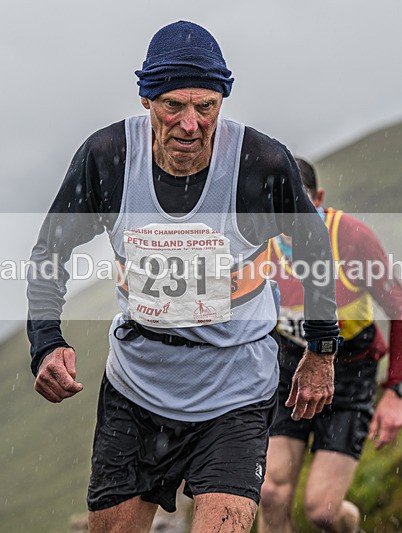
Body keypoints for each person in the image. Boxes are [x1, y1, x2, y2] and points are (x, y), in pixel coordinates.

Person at [26, 22, 342, 532]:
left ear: (222, 100)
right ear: (147, 99)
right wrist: (45, 341)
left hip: (235, 391)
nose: (191, 124)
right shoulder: (109, 158)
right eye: (174, 105)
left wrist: (321, 351)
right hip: (138, 389)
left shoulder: (259, 163)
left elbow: (314, 248)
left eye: (207, 106)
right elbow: (50, 250)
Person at [258, 158, 402, 533]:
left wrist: (396, 391)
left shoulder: (351, 237)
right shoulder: (259, 244)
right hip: (290, 373)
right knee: (270, 493)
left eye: (301, 206)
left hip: (349, 376)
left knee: (323, 511)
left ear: (320, 199)